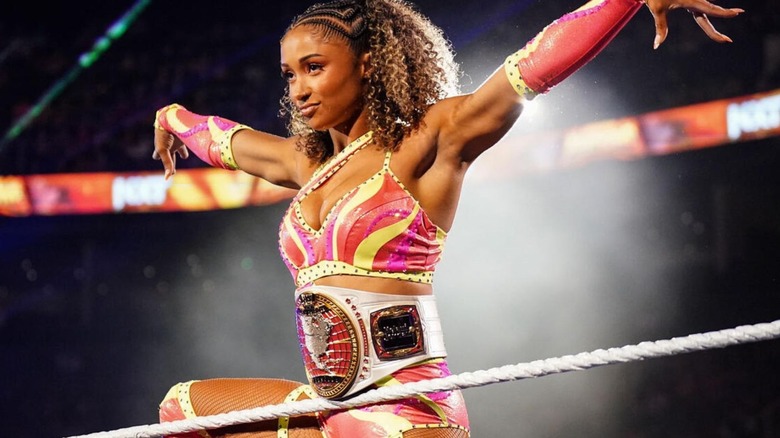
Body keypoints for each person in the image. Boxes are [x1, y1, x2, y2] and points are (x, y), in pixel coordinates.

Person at [151, 0, 743, 436]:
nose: (300, 90)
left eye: (314, 67)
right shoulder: (309, 163)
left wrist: (629, 0)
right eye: (290, 75)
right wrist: (174, 116)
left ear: (368, 64)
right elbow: (227, 141)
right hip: (333, 407)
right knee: (182, 410)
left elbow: (527, 70)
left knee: (351, 433)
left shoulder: (430, 140)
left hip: (407, 410)